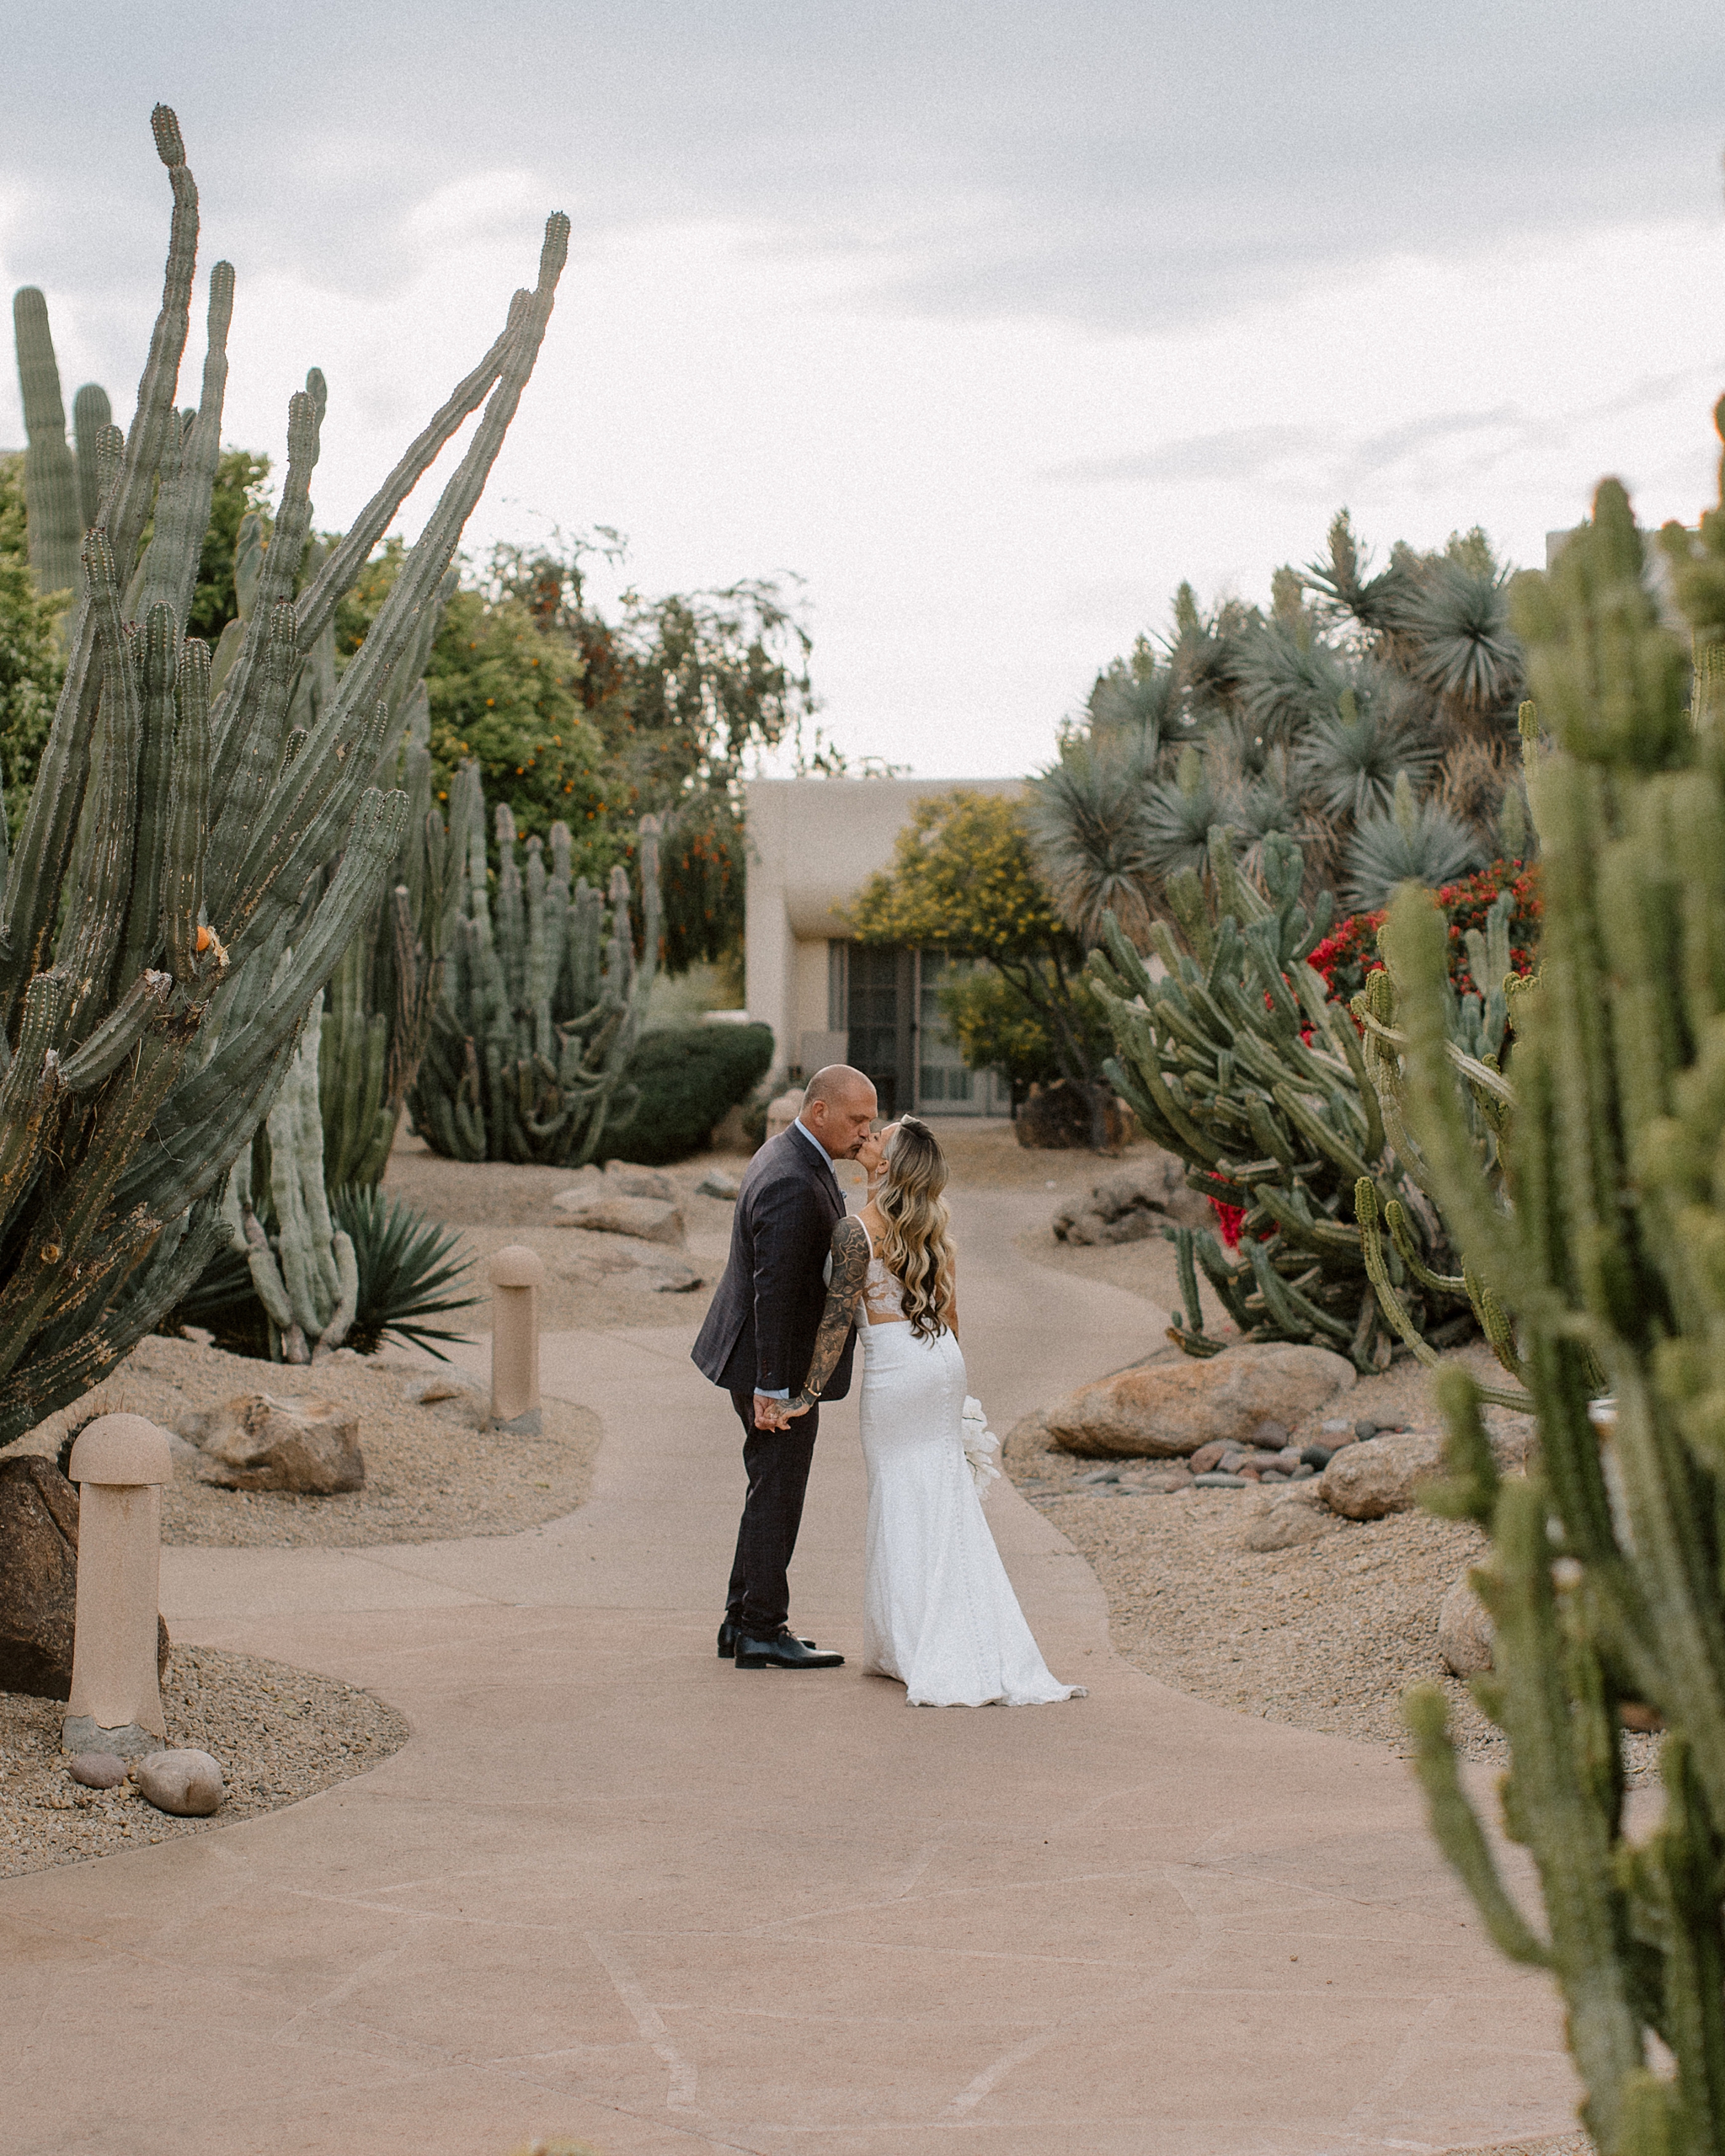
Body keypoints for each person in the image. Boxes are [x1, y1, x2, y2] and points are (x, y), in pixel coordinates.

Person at [781, 1117, 1085, 1708]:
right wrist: (959, 1397)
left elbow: (835, 1324)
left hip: (897, 1370)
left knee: (900, 1496)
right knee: (942, 1498)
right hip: (942, 1361)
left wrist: (804, 1395)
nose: (867, 1138)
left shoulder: (854, 1232)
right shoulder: (931, 1225)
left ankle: (920, 1644)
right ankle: (940, 1636)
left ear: (889, 1166)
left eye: (878, 1138)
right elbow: (951, 1315)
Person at [692, 1064, 878, 1668]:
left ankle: (739, 1621)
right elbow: (772, 1292)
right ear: (819, 1111)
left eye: (871, 1121)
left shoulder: (787, 1152)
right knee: (779, 1494)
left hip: (762, 1362)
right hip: (774, 1369)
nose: (865, 1132)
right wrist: (772, 1389)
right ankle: (763, 1630)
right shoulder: (793, 1179)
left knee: (766, 1488)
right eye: (857, 1120)